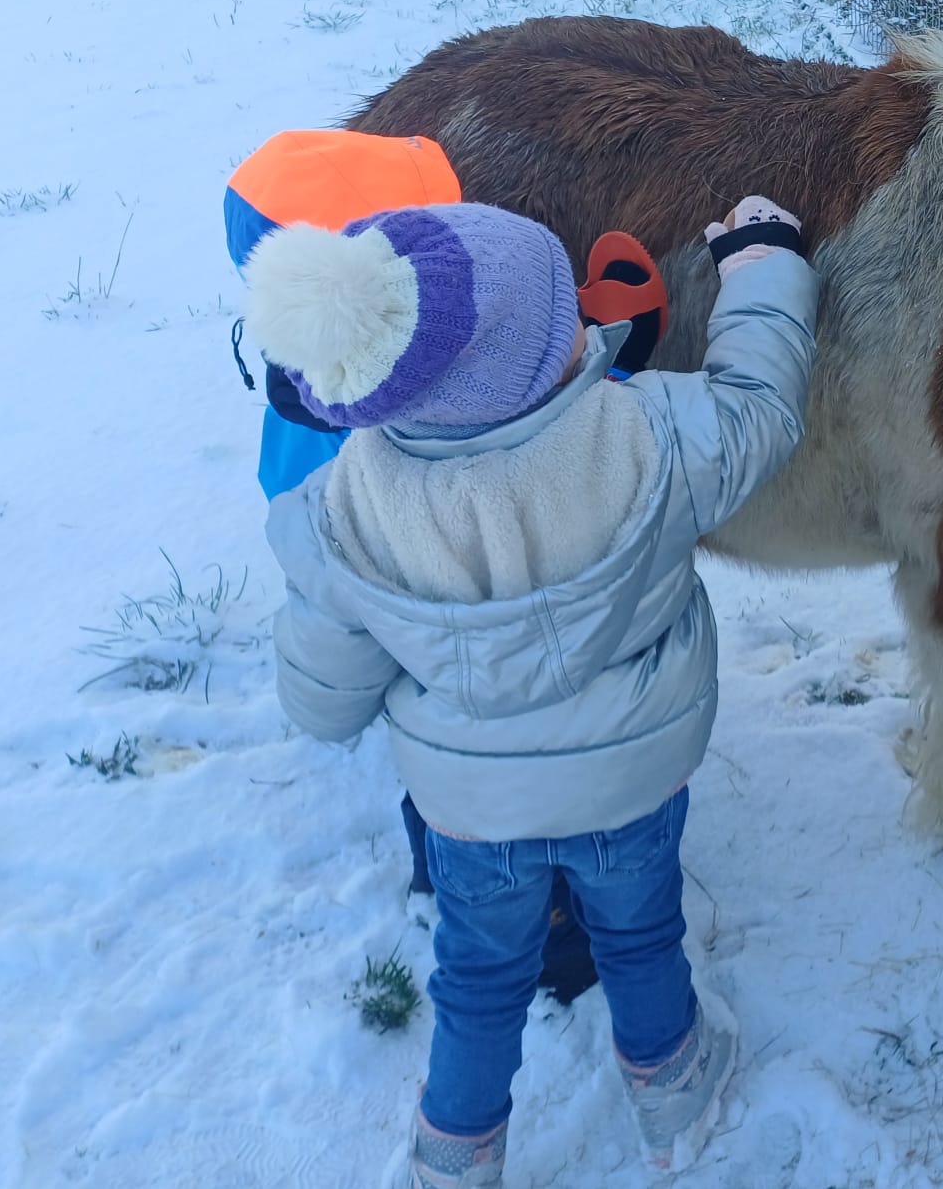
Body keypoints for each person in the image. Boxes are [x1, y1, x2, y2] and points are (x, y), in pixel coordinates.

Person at [245, 194, 816, 1183]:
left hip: (470, 820)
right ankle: (673, 1088)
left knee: (475, 978)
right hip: (630, 790)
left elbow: (321, 702)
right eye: (566, 325)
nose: (587, 333)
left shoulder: (349, 504)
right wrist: (762, 266)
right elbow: (758, 409)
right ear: (542, 354)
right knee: (640, 936)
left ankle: (455, 1151)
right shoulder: (648, 434)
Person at [225, 129, 667, 1006]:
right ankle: (568, 945)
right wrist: (621, 362)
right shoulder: (384, 460)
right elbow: (538, 441)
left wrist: (333, 688)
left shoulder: (309, 401)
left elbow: (327, 657)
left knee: (453, 819)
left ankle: (441, 888)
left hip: (442, 739)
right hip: (559, 724)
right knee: (554, 840)